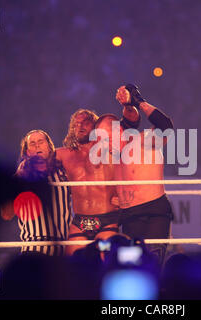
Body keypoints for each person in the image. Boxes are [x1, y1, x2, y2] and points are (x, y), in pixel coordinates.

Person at [95, 84, 174, 264]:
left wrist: (138, 102)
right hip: (129, 214)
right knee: (133, 264)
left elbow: (166, 126)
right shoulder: (110, 156)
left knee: (152, 262)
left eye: (108, 134)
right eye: (101, 137)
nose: (105, 141)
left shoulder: (144, 140)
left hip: (153, 211)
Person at [56, 106, 140, 254]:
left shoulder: (110, 149)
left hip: (107, 221)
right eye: (76, 124)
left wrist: (124, 196)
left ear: (96, 126)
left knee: (104, 257)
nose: (80, 126)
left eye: (85, 122)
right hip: (80, 222)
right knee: (74, 261)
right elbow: (36, 162)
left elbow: (132, 172)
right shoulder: (63, 155)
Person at [1, 129, 71, 256]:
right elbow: (6, 214)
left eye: (40, 142)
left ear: (50, 148)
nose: (37, 145)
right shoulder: (21, 177)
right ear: (28, 152)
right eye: (32, 144)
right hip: (32, 247)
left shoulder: (62, 172)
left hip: (61, 247)